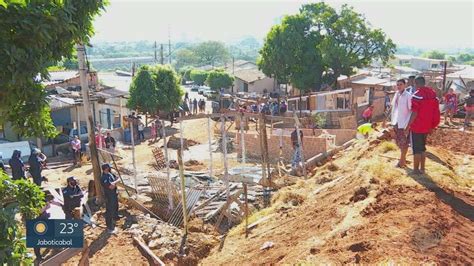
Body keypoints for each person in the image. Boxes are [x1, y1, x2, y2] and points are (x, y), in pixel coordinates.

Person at [405, 76, 440, 175]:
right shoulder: (432, 94)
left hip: (417, 126)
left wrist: (408, 126)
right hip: (427, 126)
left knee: (416, 148)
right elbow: (435, 111)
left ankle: (415, 170)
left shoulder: (417, 95)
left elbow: (414, 113)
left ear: (415, 83)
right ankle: (422, 168)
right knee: (423, 148)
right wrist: (433, 125)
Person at [391, 79, 412, 168]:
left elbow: (411, 111)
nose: (399, 86)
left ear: (405, 85)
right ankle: (402, 160)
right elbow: (393, 108)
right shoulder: (397, 94)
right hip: (396, 122)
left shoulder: (408, 96)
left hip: (404, 123)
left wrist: (408, 126)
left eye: (400, 84)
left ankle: (401, 162)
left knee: (404, 143)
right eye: (397, 84)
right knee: (399, 142)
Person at [101, 163, 121, 234]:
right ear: (106, 168)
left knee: (116, 206)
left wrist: (114, 182)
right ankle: (109, 226)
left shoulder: (110, 174)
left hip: (114, 194)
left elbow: (118, 179)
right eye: (109, 167)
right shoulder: (104, 177)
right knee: (109, 210)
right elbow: (110, 187)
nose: (110, 168)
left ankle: (115, 217)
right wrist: (115, 183)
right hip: (109, 196)